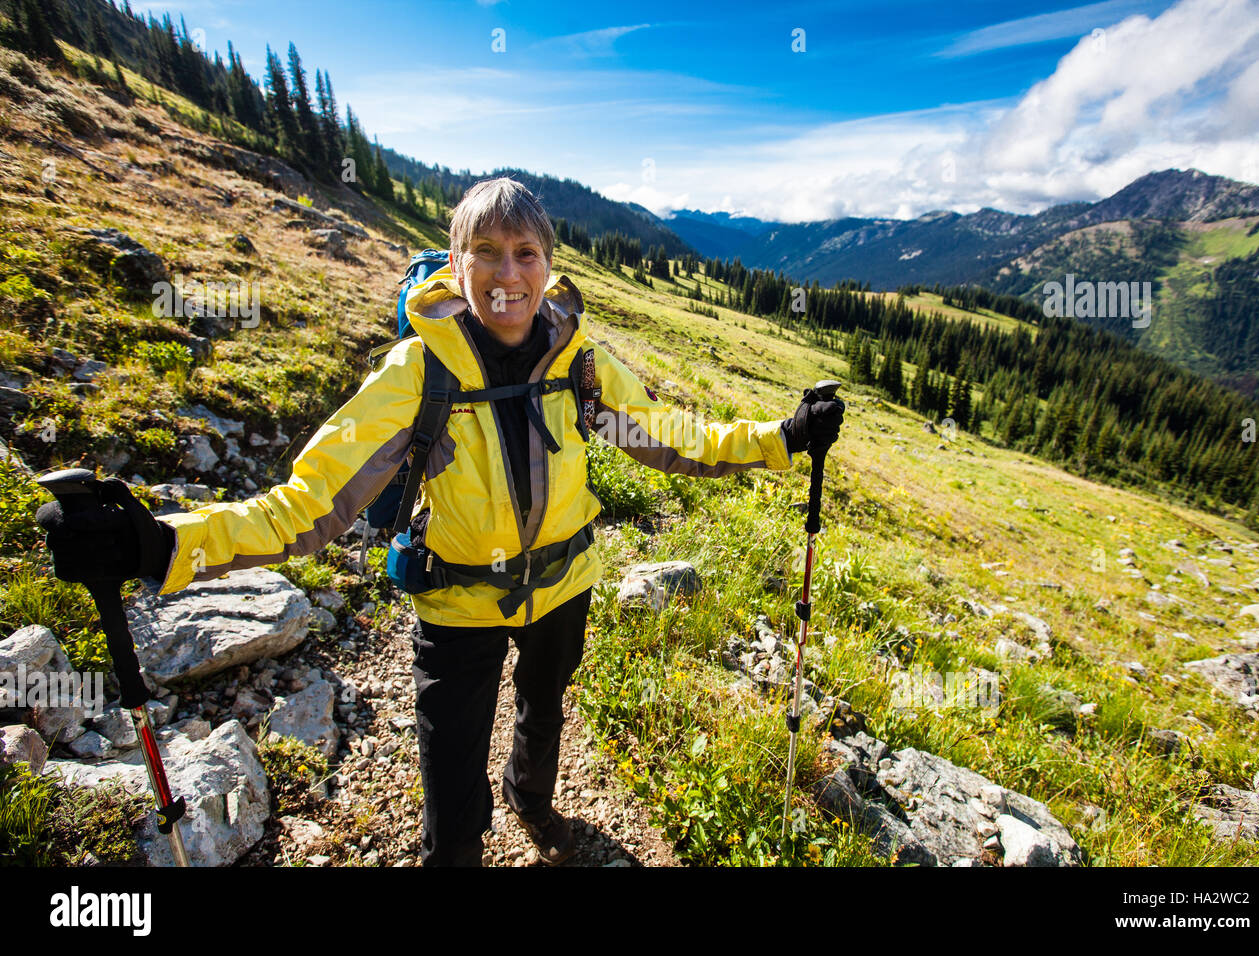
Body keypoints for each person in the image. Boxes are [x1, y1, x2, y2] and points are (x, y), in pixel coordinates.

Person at [38, 177, 845, 867]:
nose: (507, 273)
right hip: (455, 606)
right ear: (456, 266)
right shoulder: (416, 372)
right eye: (485, 252)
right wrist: (164, 541)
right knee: (450, 799)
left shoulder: (580, 363)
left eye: (525, 253)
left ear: (549, 266)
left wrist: (781, 439)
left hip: (565, 587)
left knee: (545, 702)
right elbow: (310, 504)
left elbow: (664, 437)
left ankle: (531, 803)